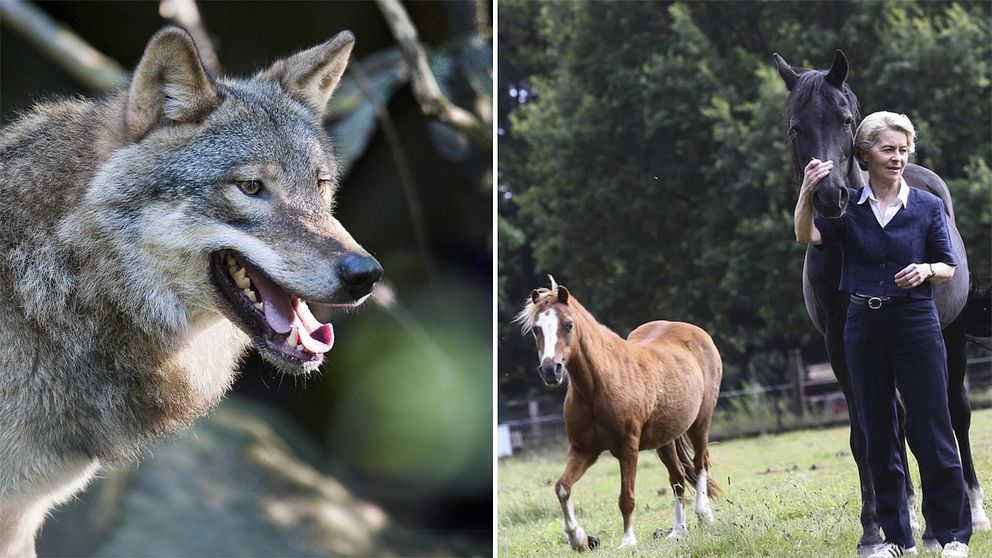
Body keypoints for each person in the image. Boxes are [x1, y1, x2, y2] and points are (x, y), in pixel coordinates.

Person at [794, 111, 971, 558]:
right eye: (888, 150)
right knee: (877, 434)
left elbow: (948, 264)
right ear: (864, 155)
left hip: (915, 321)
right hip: (863, 326)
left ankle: (952, 535)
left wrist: (928, 269)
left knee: (932, 429)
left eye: (903, 150)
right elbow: (807, 235)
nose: (897, 158)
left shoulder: (928, 205)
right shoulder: (850, 211)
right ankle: (896, 539)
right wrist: (806, 193)